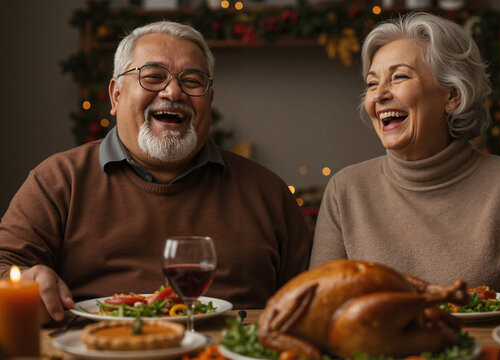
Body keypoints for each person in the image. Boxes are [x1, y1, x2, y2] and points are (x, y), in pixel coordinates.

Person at [0, 21, 312, 323]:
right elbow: (4, 268)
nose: (173, 92)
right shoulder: (57, 180)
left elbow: (311, 299)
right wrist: (23, 283)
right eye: (152, 76)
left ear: (210, 100)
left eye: (192, 81)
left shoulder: (267, 191)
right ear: (116, 95)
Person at [310, 13, 500, 307]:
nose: (379, 95)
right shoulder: (345, 191)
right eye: (371, 83)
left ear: (452, 96)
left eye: (400, 77)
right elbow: (318, 307)